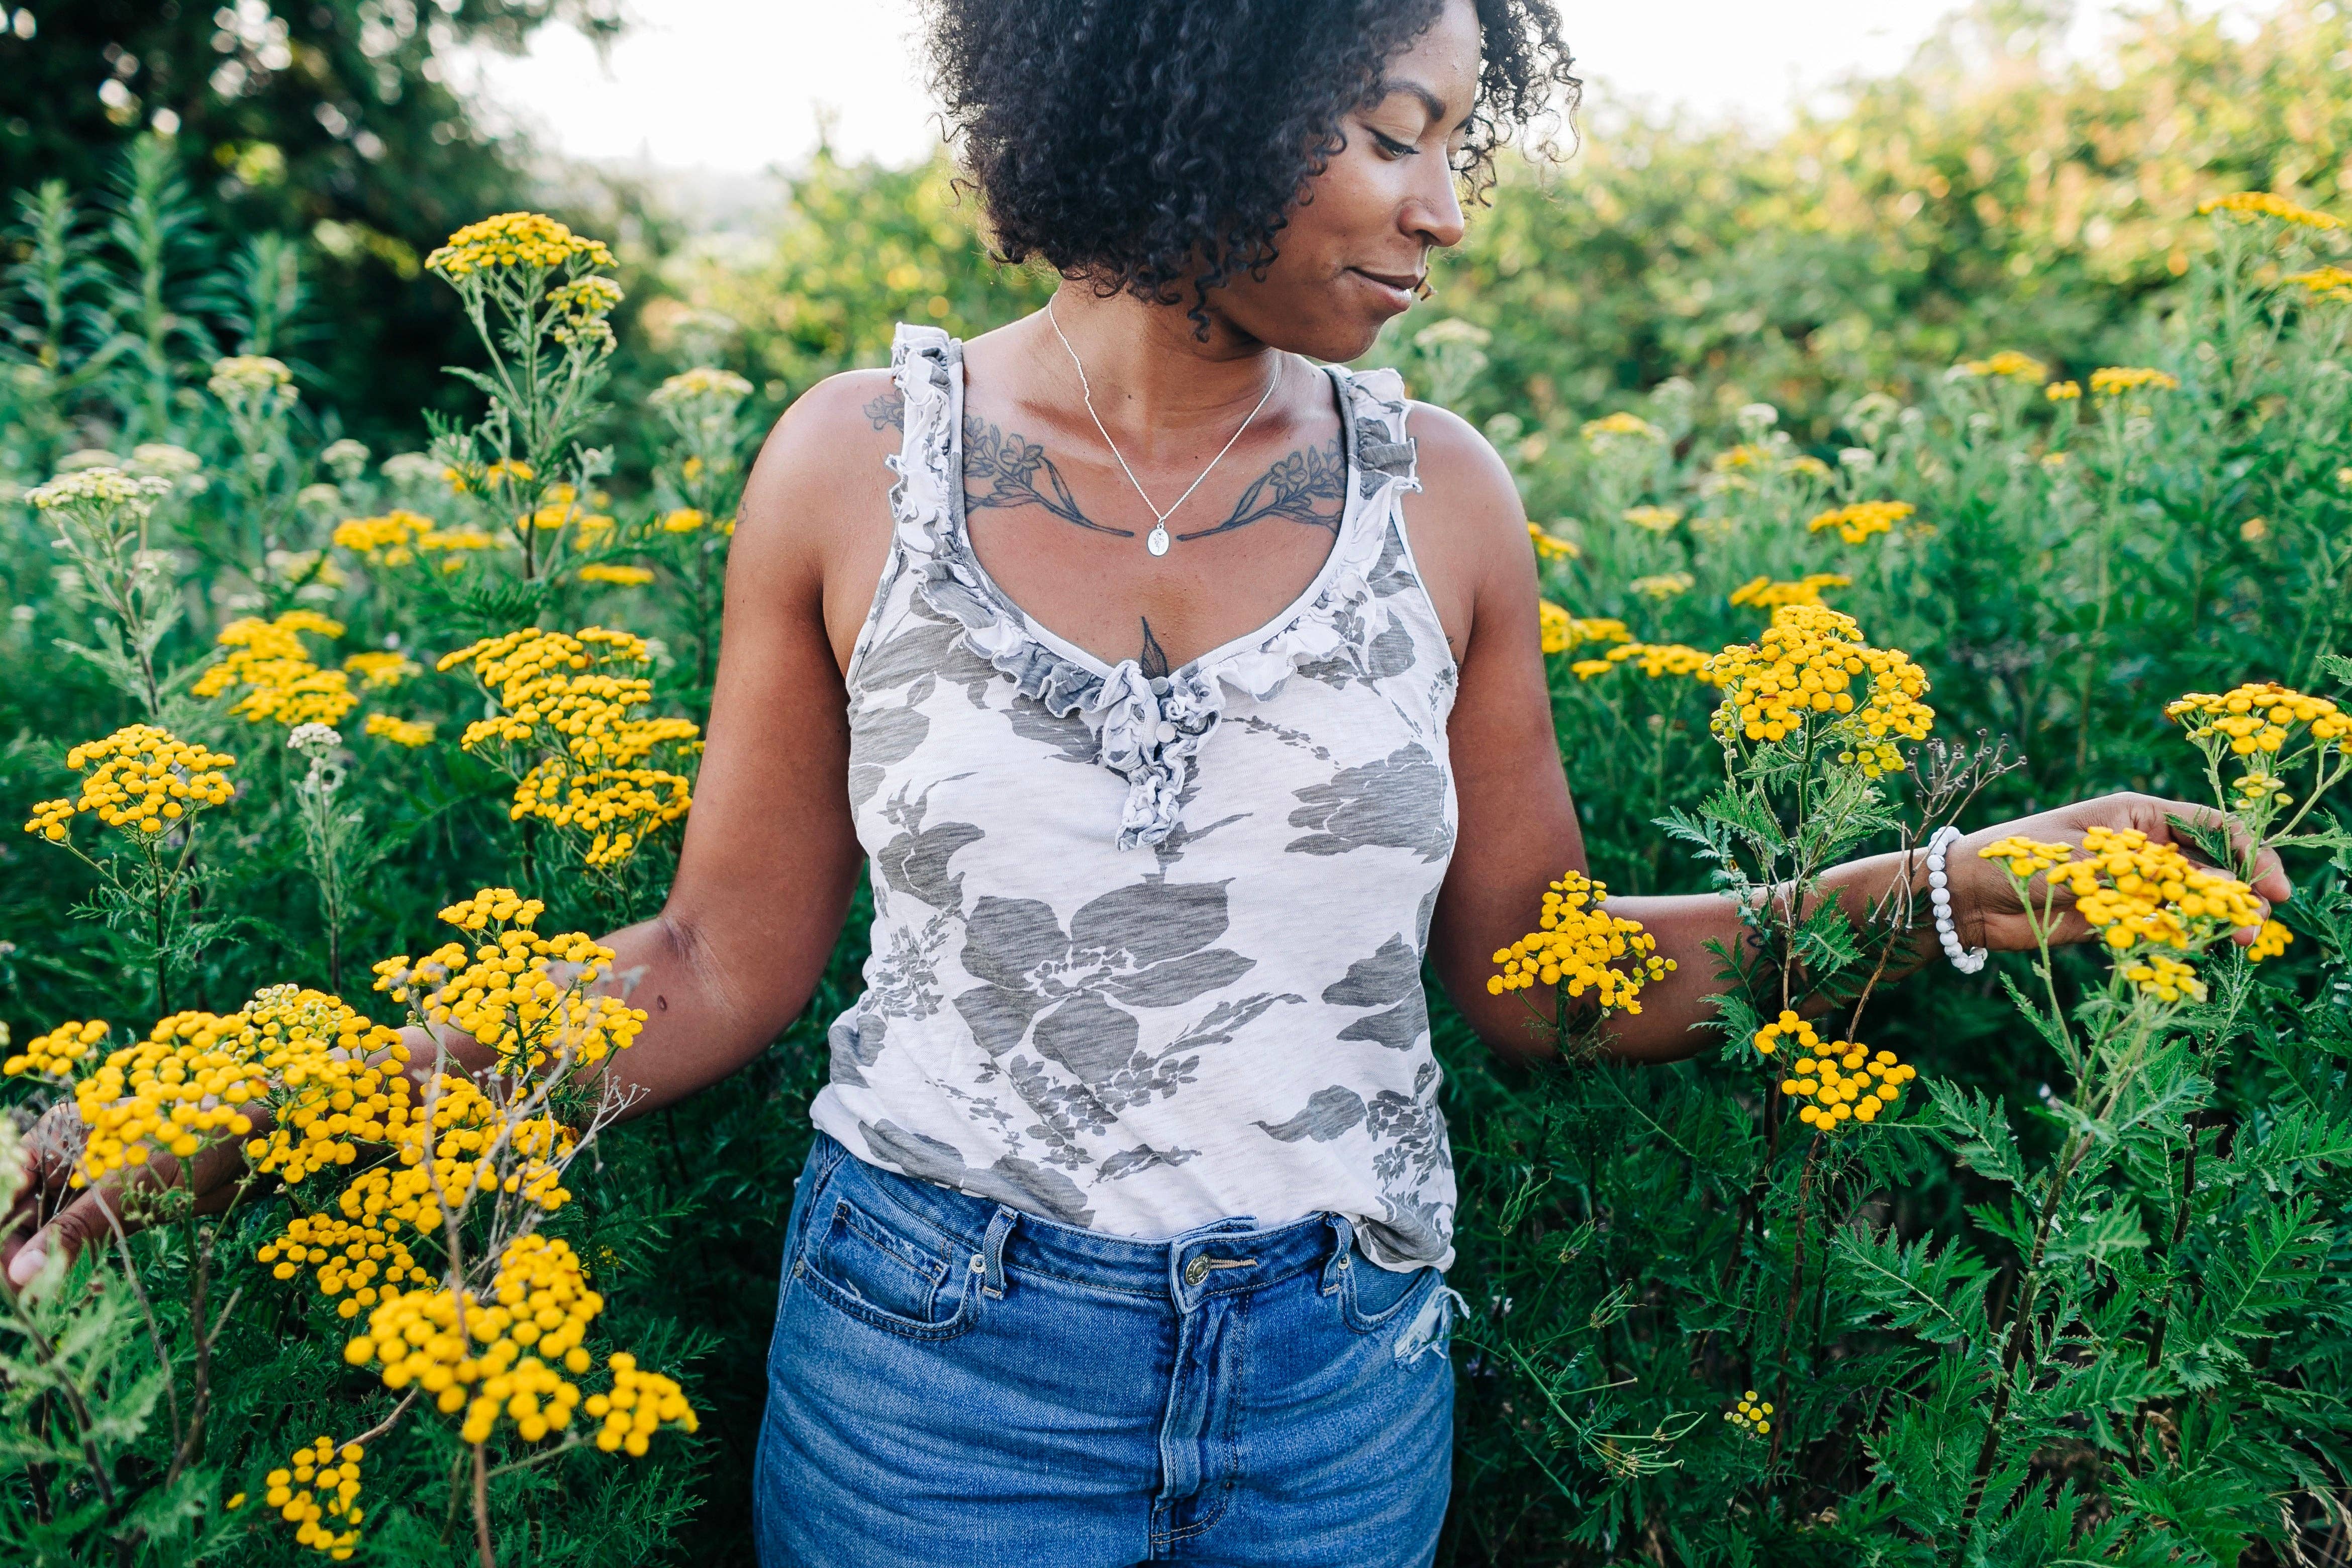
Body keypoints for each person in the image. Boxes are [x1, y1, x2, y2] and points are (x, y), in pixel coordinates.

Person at [4, 1, 2289, 1563]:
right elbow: (708, 966)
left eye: (1463, 142)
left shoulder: (1450, 498)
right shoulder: (852, 464)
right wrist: (264, 1109)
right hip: (933, 1372)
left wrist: (1943, 891)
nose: (1446, 206)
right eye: (1391, 131)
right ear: (1187, 83)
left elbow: (1541, 983)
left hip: (1338, 1382)